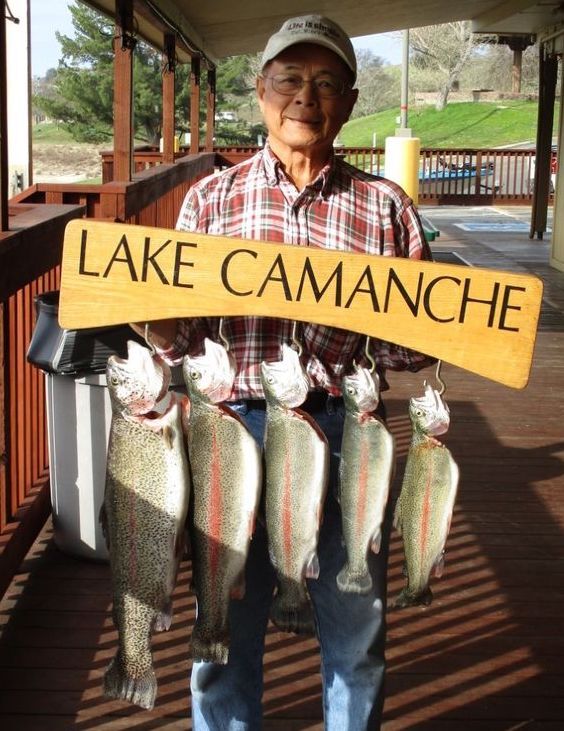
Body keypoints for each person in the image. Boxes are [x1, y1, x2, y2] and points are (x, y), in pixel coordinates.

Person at [135, 15, 434, 730]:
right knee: (222, 633)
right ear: (260, 90)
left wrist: (389, 344)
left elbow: (416, 344)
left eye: (327, 82)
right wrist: (156, 326)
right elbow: (179, 345)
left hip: (347, 430)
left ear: (352, 100)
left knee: (356, 633)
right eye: (291, 79)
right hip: (229, 430)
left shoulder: (387, 207)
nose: (307, 96)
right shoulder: (210, 200)